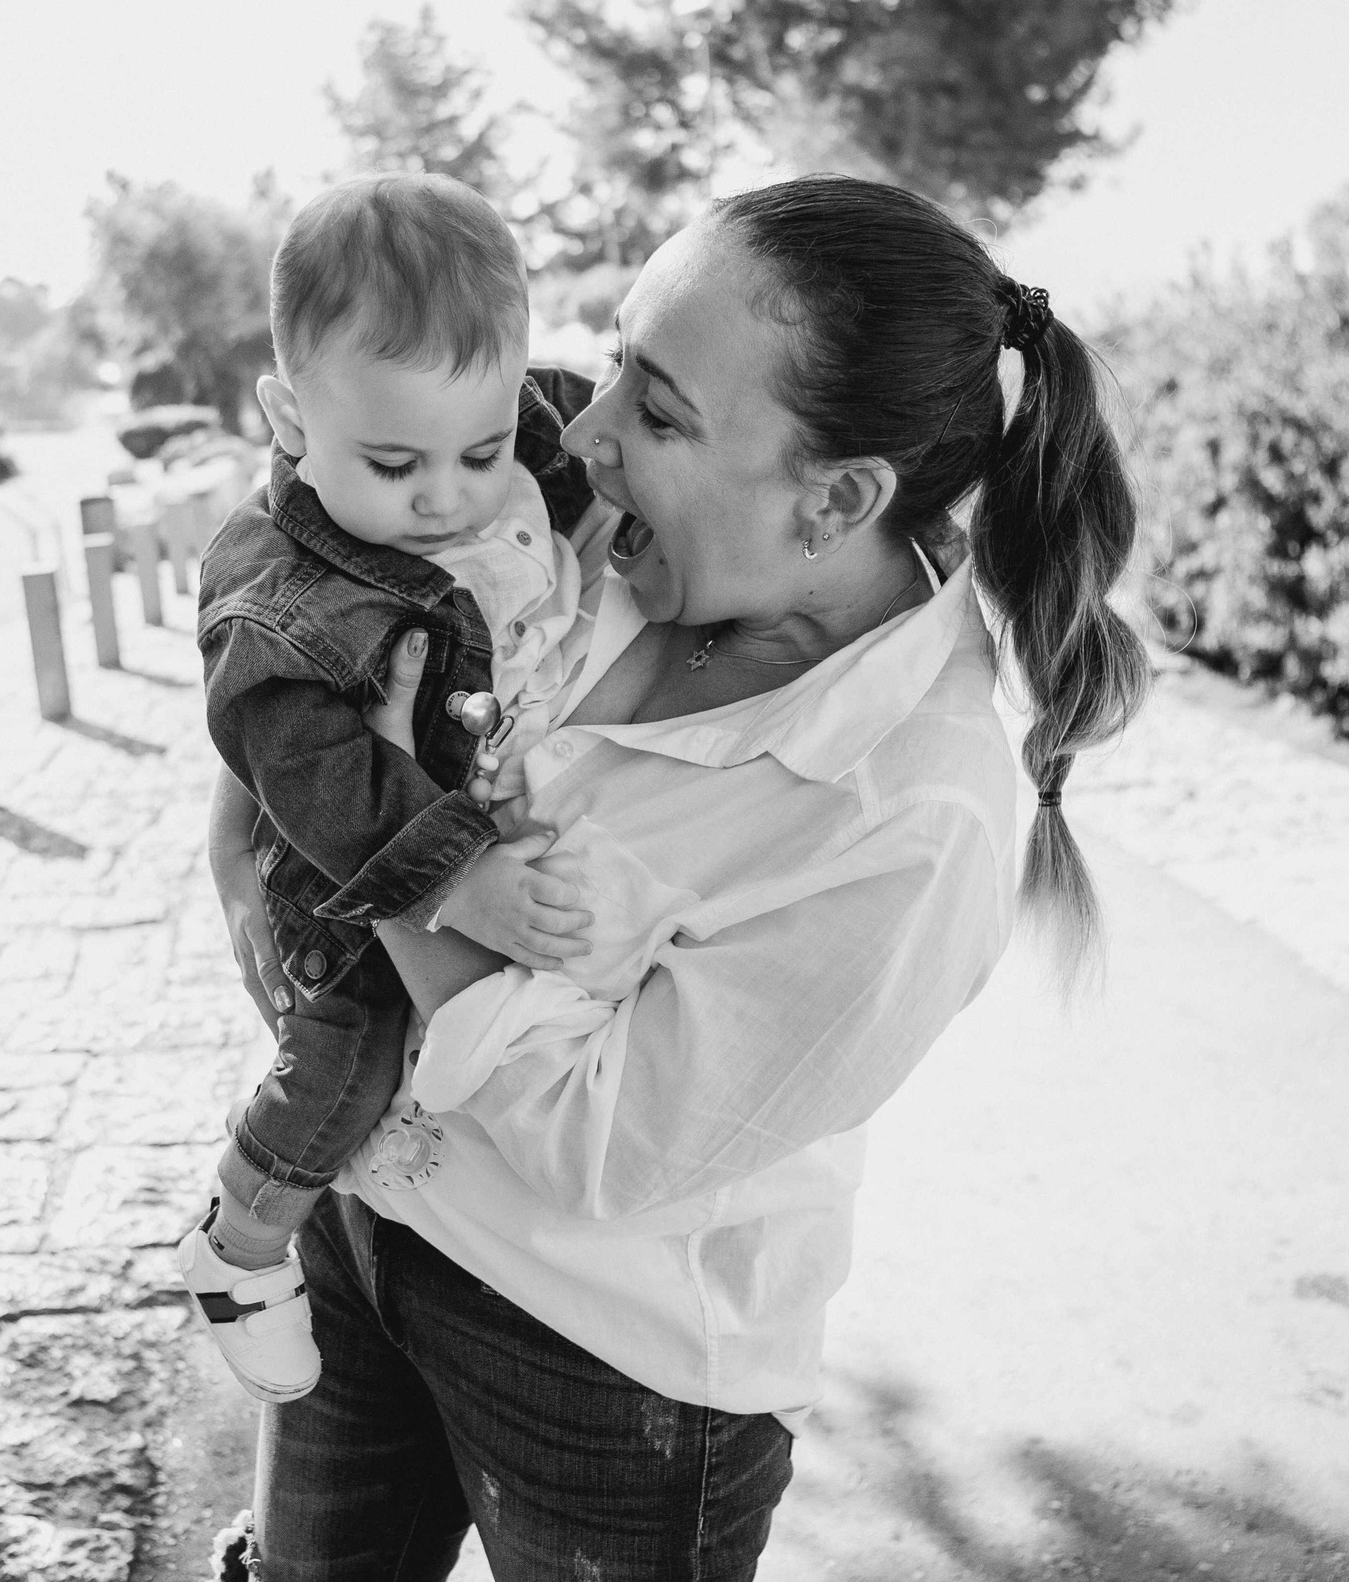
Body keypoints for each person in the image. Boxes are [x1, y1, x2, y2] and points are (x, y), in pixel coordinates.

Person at [210, 175, 1149, 1579]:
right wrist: (254, 835)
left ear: (836, 497)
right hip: (369, 1215)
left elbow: (598, 1144)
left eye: (656, 410)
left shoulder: (913, 815)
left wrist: (397, 864)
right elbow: (312, 630)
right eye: (615, 365)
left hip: (600, 1369)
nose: (579, 429)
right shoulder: (597, 521)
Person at [180, 172, 604, 1402]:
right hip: (347, 858)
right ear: (288, 416)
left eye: (479, 449)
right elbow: (306, 775)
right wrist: (460, 880)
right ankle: (239, 1238)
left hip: (464, 790)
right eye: (394, 461)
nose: (445, 493)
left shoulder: (530, 437)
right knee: (351, 1052)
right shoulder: (274, 589)